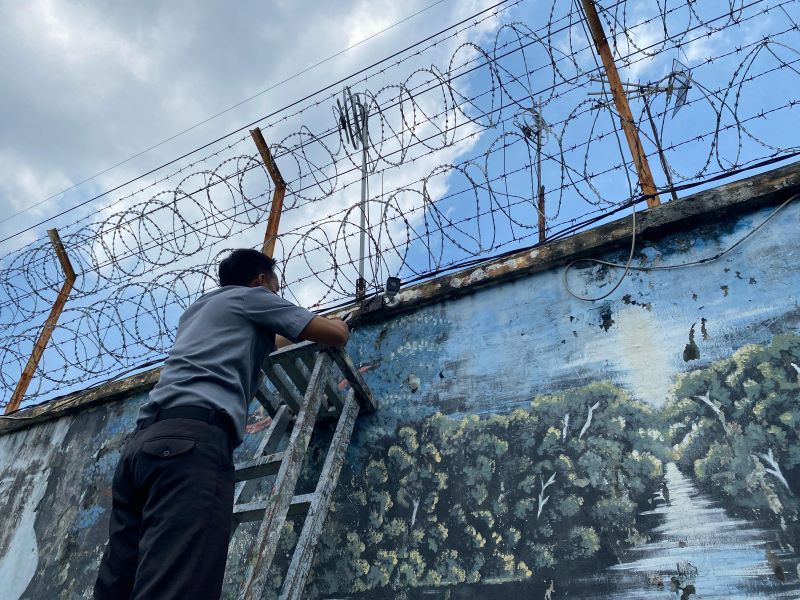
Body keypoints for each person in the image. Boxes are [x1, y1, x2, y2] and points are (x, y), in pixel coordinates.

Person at [94, 248, 349, 600]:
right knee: (178, 581)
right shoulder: (255, 297)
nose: (275, 294)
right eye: (275, 287)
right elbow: (333, 336)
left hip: (141, 448)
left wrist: (295, 327)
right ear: (261, 281)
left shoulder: (199, 310)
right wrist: (339, 323)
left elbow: (272, 338)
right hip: (191, 445)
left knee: (119, 579)